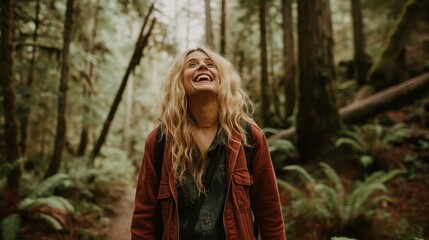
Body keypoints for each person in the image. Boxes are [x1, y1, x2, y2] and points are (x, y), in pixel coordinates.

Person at [131, 47, 286, 240]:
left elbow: (269, 210)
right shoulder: (159, 142)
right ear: (179, 81)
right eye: (192, 64)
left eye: (210, 64)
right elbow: (144, 219)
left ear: (222, 79)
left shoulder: (248, 136)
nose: (202, 66)